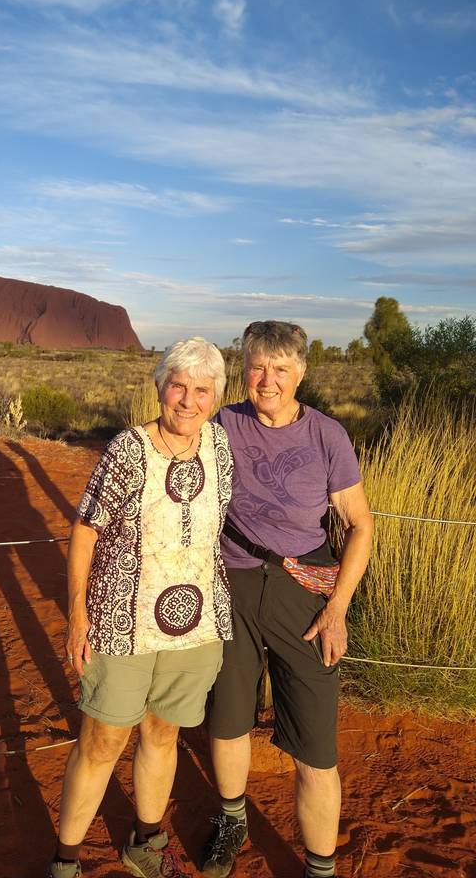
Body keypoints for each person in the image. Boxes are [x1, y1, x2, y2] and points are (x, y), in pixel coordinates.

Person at [49, 337, 235, 878]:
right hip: (122, 624)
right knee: (103, 739)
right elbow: (85, 530)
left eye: (202, 390)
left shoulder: (220, 447)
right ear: (159, 387)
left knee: (163, 733)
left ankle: (146, 842)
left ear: (216, 397)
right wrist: (79, 617)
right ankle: (65, 860)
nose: (188, 400)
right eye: (178, 385)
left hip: (196, 626)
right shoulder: (129, 449)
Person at [200, 320, 373, 878]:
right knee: (226, 718)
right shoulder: (222, 423)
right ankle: (231, 819)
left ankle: (319, 867)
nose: (267, 379)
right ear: (243, 371)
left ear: (300, 372)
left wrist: (337, 608)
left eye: (280, 368)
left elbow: (359, 527)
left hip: (305, 590)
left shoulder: (327, 436)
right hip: (235, 582)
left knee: (316, 747)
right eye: (257, 367)